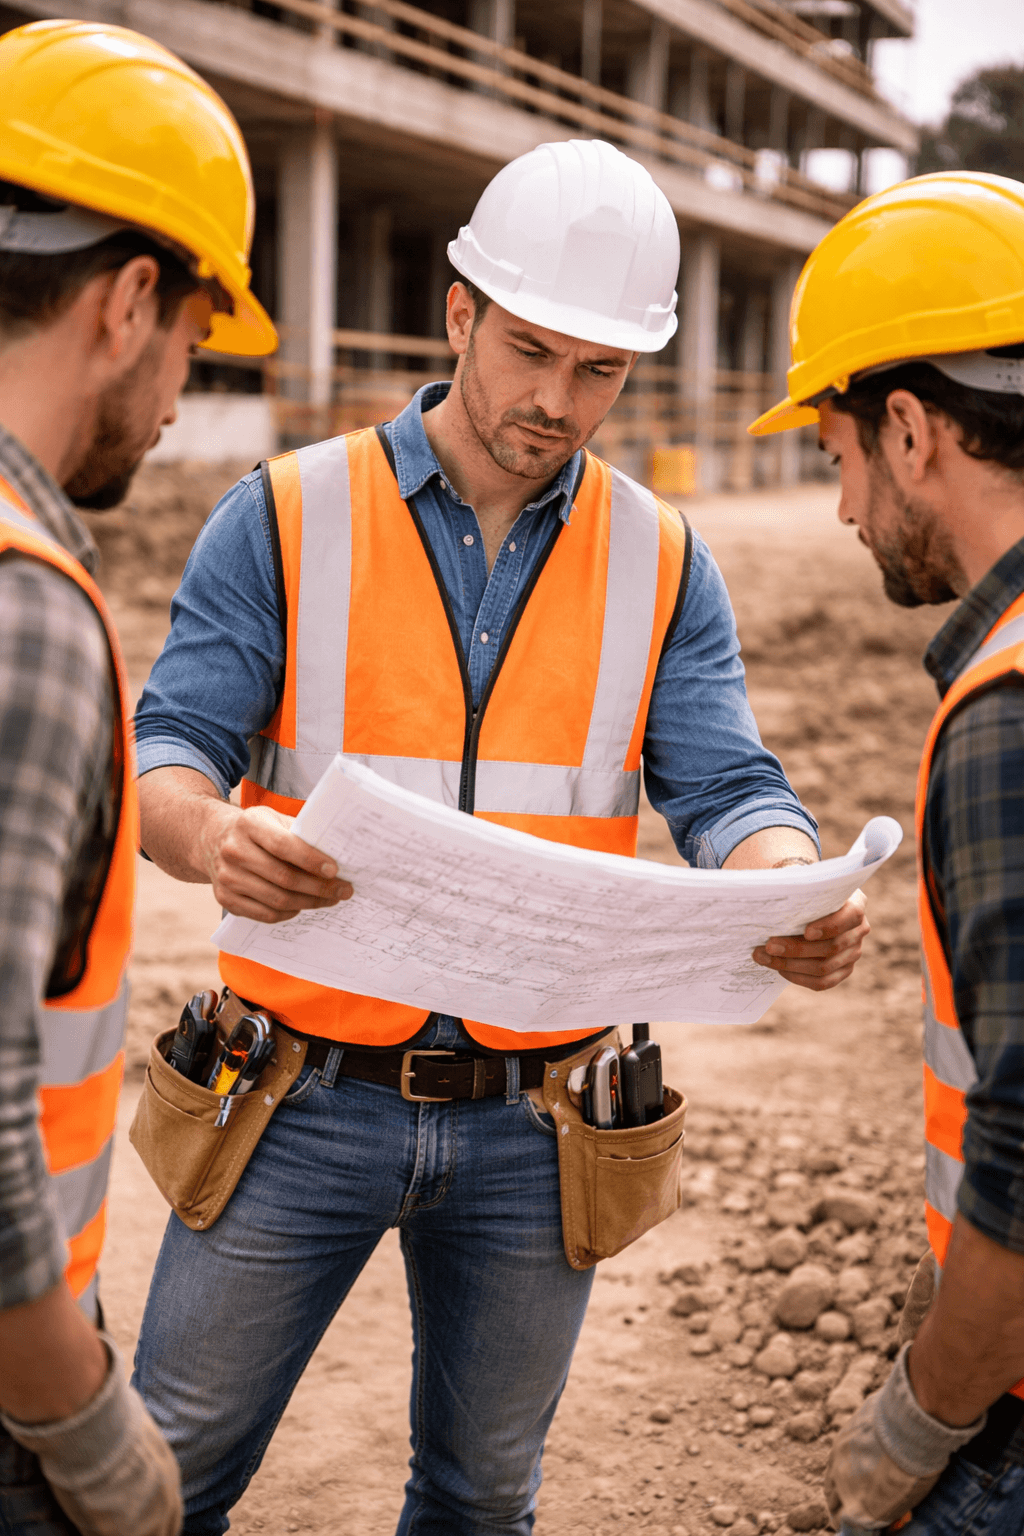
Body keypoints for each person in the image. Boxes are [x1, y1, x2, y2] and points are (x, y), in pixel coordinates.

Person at [132, 137, 869, 1535]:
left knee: (483, 1498)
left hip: (540, 1122)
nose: (557, 400)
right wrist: (208, 834)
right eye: (532, 350)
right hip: (295, 1095)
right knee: (166, 1478)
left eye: (601, 372)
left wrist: (787, 882)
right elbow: (170, 748)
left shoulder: (663, 558)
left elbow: (724, 784)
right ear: (459, 311)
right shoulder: (287, 514)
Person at [0, 20, 277, 1536]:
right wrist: (89, 1433)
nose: (180, 396)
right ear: (124, 306)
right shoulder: (28, 605)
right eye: (190, 341)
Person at [748, 170, 1024, 1533]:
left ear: (910, 431)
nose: (849, 510)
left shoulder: (1005, 716)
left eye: (840, 458)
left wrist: (924, 1415)